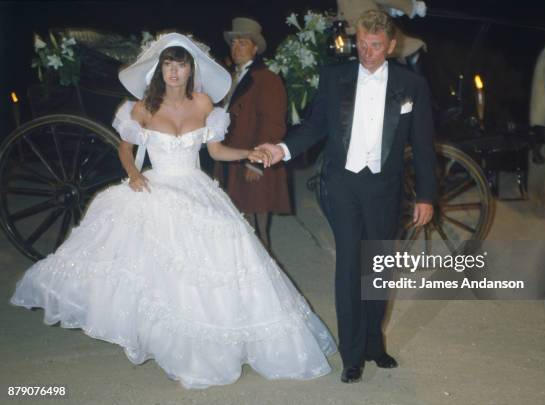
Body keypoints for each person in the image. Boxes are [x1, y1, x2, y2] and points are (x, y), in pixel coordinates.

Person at [10, 32, 335, 389]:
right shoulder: (142, 108)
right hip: (157, 185)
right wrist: (133, 174)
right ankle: (173, 345)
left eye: (180, 64)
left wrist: (248, 153)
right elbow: (124, 148)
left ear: (190, 69)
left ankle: (215, 342)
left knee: (226, 252)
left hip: (195, 185)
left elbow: (215, 152)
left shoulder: (205, 105)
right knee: (163, 271)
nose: (174, 72)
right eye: (168, 64)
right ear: (159, 68)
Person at [258, 10, 437, 383]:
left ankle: (374, 342)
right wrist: (282, 149)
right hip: (343, 186)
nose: (367, 52)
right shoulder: (334, 77)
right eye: (361, 44)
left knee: (379, 270)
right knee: (349, 268)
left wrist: (426, 195)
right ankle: (352, 354)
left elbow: (422, 146)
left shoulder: (411, 86)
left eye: (375, 46)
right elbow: (314, 126)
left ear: (390, 47)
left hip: (384, 190)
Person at [215, 17, 291, 249]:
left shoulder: (267, 79)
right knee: (239, 227)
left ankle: (266, 282)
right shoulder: (230, 78)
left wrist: (256, 163)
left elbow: (273, 124)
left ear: (255, 48)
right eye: (234, 42)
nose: (237, 47)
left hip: (254, 162)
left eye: (243, 43)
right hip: (233, 160)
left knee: (257, 232)